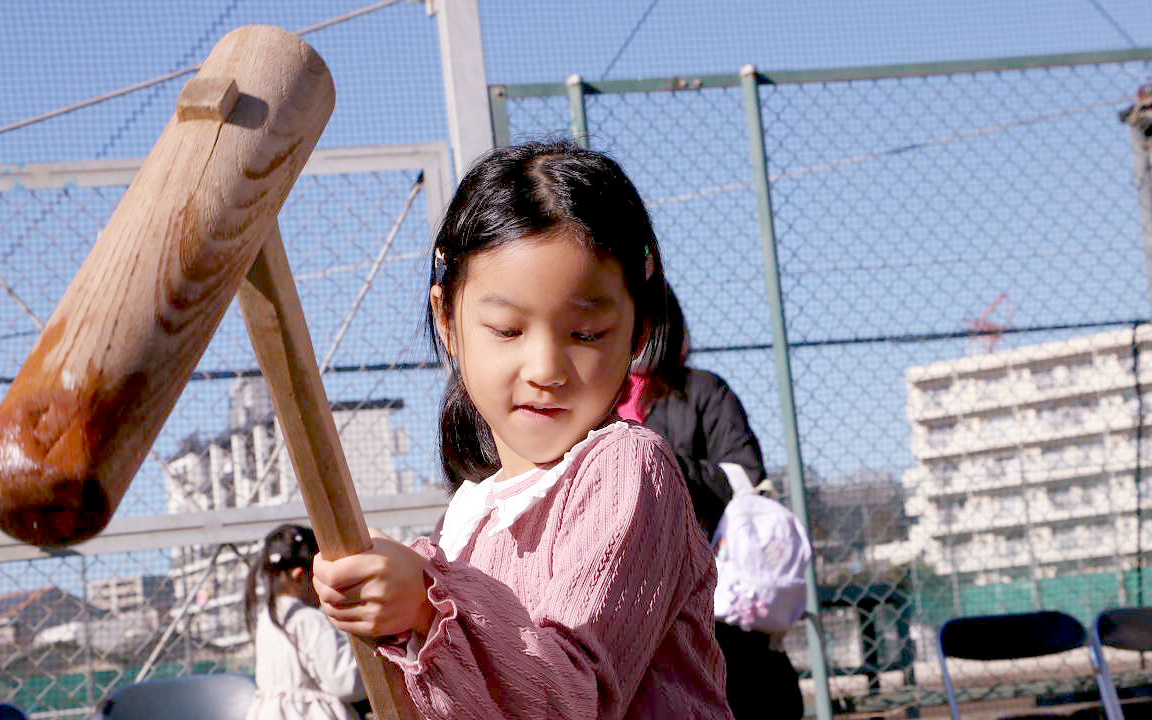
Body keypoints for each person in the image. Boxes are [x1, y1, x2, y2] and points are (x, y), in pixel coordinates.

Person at [310, 140, 731, 718]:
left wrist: (428, 607)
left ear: (638, 331)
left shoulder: (627, 468)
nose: (545, 369)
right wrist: (391, 616)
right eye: (507, 330)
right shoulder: (467, 515)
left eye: (586, 334)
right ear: (447, 319)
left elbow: (575, 698)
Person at [618, 288, 805, 719]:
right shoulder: (590, 400)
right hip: (625, 599)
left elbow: (744, 476)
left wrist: (653, 458)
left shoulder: (701, 391)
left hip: (710, 596)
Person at [243, 523, 366, 720]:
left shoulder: (267, 618)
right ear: (300, 576)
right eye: (321, 578)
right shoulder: (309, 619)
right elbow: (344, 682)